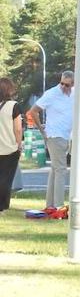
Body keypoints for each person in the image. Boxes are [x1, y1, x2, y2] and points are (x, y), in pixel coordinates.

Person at [34, 71, 75, 210]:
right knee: (61, 170)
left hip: (65, 136)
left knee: (55, 169)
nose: (63, 86)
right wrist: (42, 130)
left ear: (73, 84)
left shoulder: (75, 93)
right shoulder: (52, 94)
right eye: (62, 83)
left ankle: (50, 205)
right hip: (54, 135)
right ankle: (58, 205)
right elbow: (33, 111)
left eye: (67, 85)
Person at [0, 77, 22, 214]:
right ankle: (3, 206)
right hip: (9, 148)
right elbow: (18, 129)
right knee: (6, 179)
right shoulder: (14, 106)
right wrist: (18, 144)